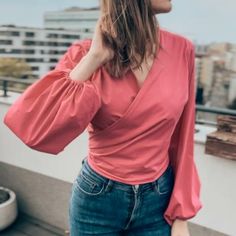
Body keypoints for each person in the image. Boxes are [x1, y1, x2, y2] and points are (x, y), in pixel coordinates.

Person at [3, 0, 203, 235]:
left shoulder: (182, 50)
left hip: (158, 200)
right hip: (98, 198)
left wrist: (181, 215)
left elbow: (183, 138)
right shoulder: (83, 54)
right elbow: (36, 130)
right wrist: (95, 57)